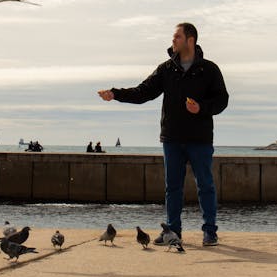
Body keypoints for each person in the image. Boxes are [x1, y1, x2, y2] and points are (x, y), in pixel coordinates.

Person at [98, 22, 228, 246]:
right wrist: (115, 94)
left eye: (177, 37)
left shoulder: (209, 69)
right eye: (173, 37)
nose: (173, 41)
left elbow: (222, 100)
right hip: (172, 138)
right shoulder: (166, 69)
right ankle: (172, 231)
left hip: (200, 138)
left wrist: (201, 108)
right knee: (173, 187)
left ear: (190, 40)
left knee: (205, 185)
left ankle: (210, 232)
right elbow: (143, 92)